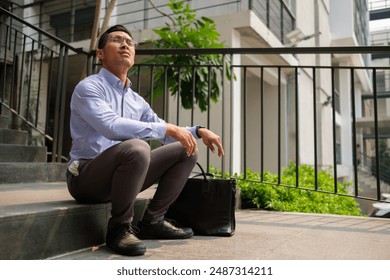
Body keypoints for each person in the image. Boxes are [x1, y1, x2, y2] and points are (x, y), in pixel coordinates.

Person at [66, 24, 224, 256]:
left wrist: (198, 131)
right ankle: (119, 229)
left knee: (185, 148)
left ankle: (153, 221)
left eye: (129, 42)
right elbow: (110, 127)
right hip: (87, 178)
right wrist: (169, 129)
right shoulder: (88, 87)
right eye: (117, 40)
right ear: (100, 53)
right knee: (138, 147)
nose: (125, 45)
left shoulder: (137, 100)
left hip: (125, 176)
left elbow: (164, 131)